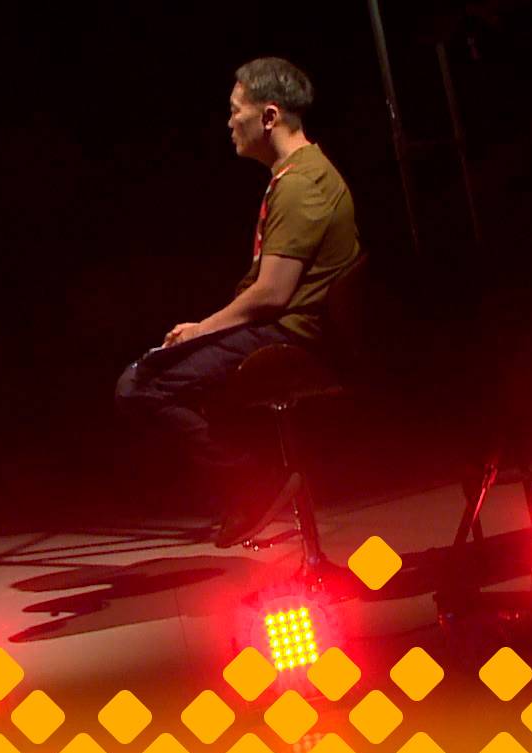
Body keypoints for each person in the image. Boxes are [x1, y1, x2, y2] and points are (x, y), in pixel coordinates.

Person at [115, 57, 363, 547]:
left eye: (235, 111)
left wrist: (202, 328)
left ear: (269, 117)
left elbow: (271, 294)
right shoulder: (298, 173)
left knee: (140, 386)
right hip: (283, 329)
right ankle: (254, 481)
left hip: (293, 338)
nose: (229, 122)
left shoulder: (302, 184)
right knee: (152, 378)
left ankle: (253, 483)